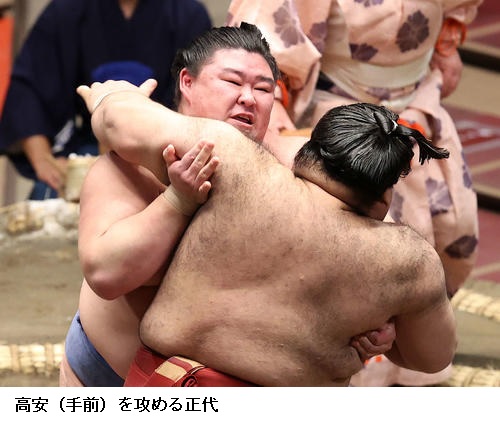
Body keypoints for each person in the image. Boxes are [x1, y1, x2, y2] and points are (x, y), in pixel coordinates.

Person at [60, 23, 396, 387]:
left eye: (263, 89)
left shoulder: (296, 167)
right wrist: (176, 202)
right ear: (187, 82)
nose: (248, 98)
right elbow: (106, 275)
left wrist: (374, 322)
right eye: (232, 82)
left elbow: (372, 253)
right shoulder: (131, 165)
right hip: (116, 382)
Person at [226, 0, 481, 386]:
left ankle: (412, 355)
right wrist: (276, 120)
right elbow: (267, 40)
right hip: (342, 125)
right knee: (362, 252)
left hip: (417, 105)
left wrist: (445, 45)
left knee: (453, 232)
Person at [0, 0, 212, 200]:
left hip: (166, 152)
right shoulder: (68, 9)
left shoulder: (188, 15)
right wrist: (43, 159)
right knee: (47, 201)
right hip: (89, 150)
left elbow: (201, 97)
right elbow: (28, 88)